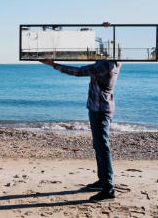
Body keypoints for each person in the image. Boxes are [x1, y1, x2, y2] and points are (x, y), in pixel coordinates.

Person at [40, 33, 121, 202]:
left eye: (105, 49)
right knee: (99, 146)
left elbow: (79, 71)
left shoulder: (106, 65)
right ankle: (103, 181)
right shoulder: (107, 61)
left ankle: (108, 190)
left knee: (102, 146)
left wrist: (54, 65)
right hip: (98, 107)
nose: (101, 50)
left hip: (100, 109)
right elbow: (93, 55)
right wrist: (107, 30)